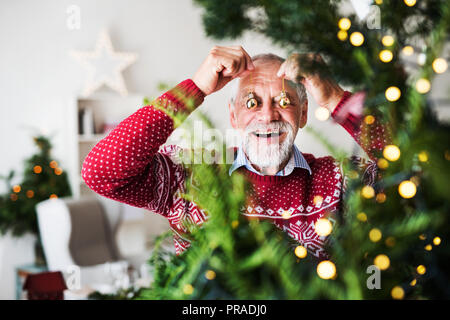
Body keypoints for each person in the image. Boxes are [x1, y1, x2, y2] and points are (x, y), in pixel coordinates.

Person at [82, 46, 389, 259]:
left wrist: (335, 97)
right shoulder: (190, 174)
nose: (267, 116)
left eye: (284, 102)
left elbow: (420, 167)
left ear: (304, 113)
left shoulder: (340, 180)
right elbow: (100, 171)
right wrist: (196, 88)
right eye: (252, 103)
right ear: (233, 116)